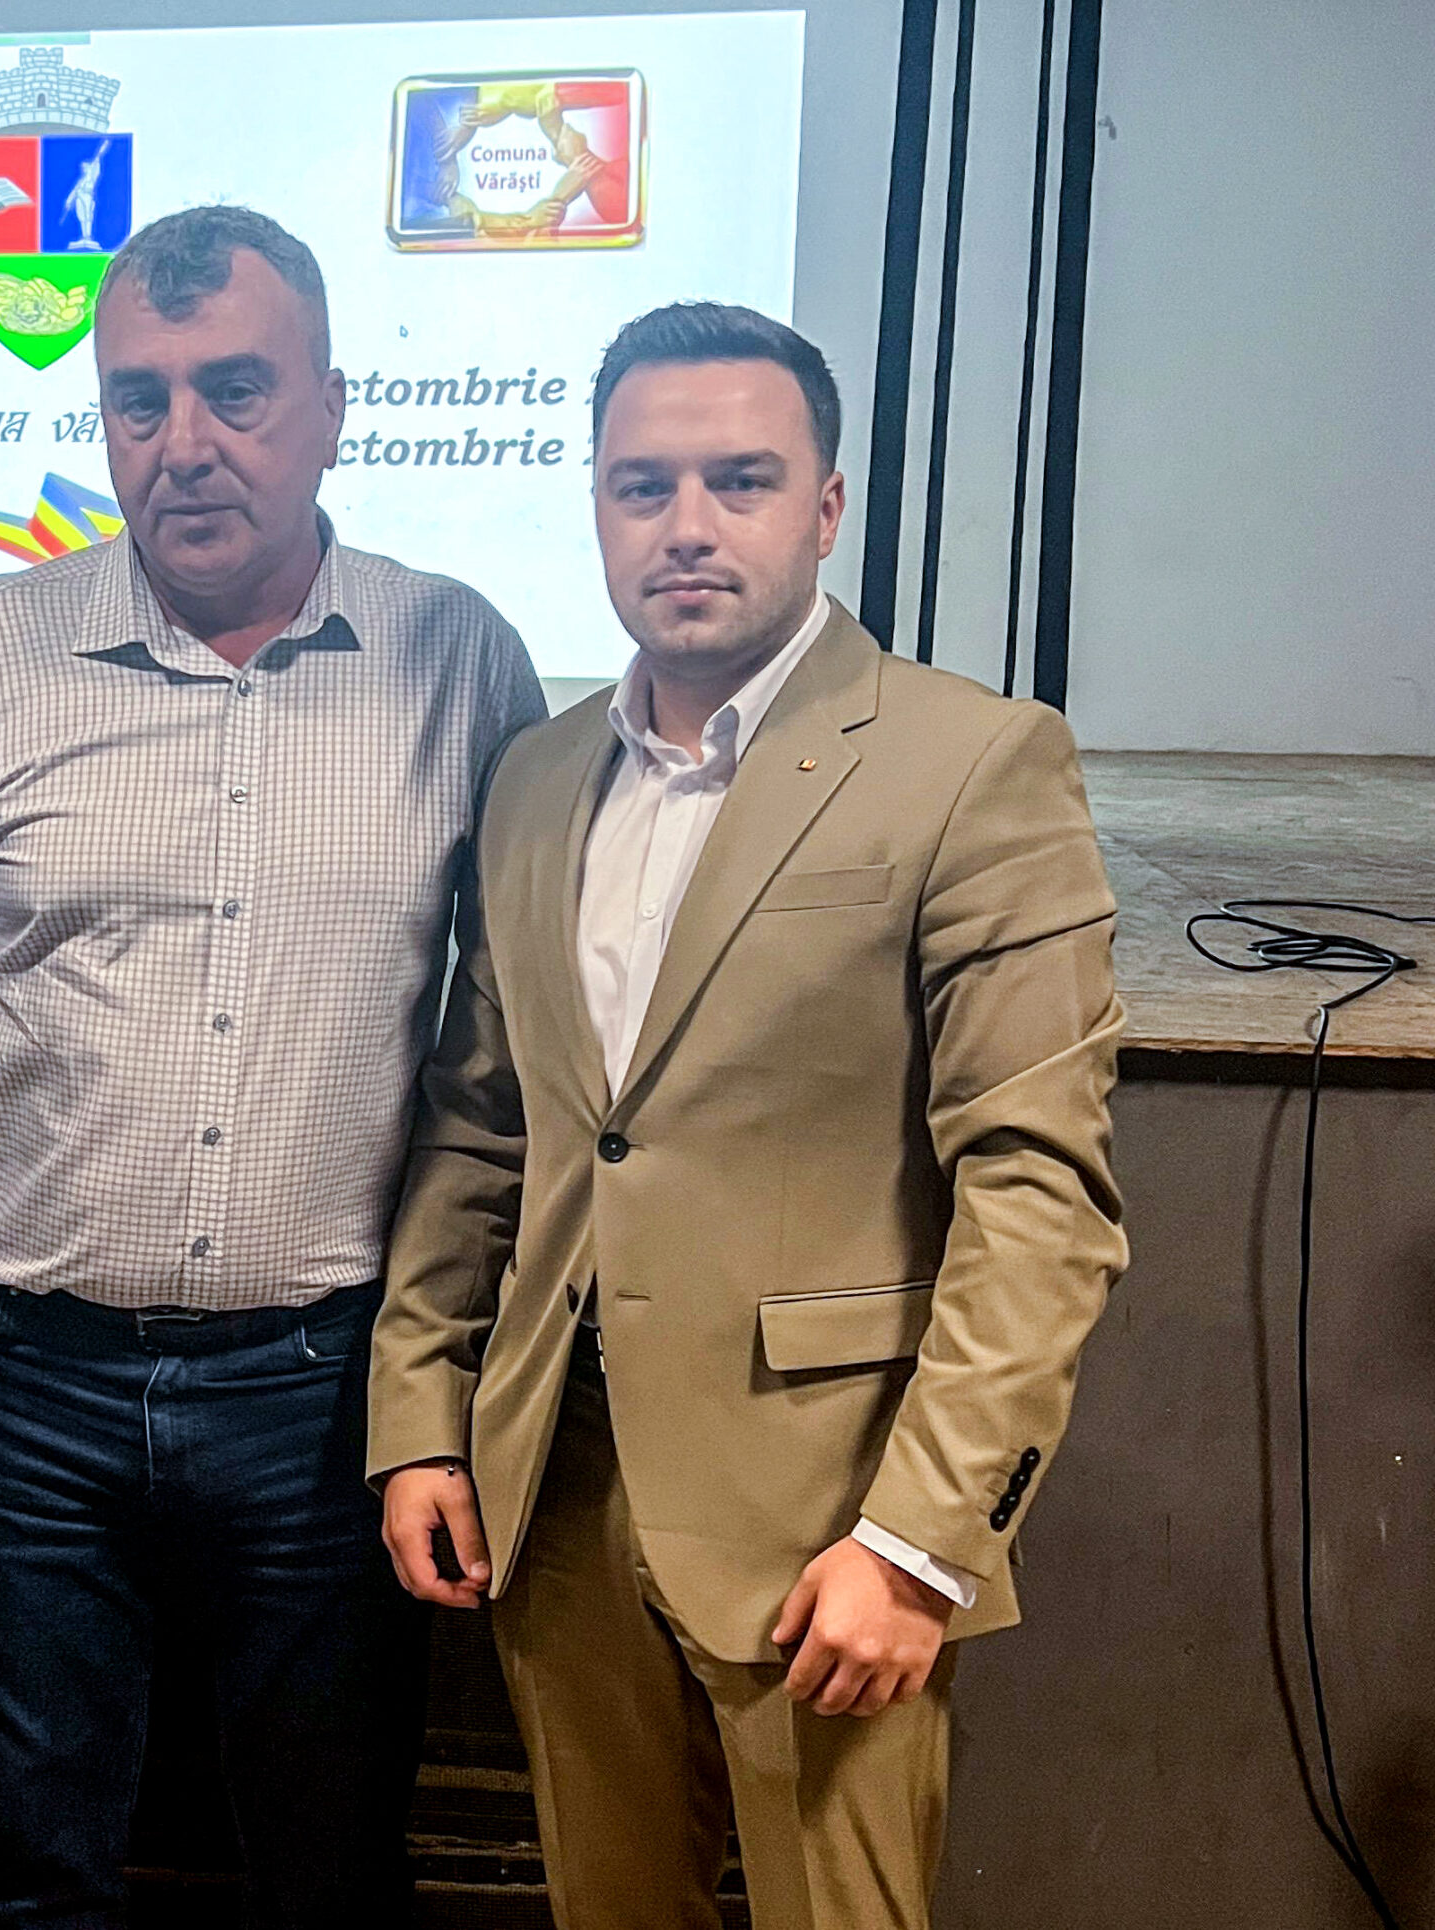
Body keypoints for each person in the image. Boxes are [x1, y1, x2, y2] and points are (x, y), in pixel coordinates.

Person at [371, 301, 1125, 1930]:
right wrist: (421, 1410)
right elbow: (485, 1125)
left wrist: (920, 1543)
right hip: (555, 1497)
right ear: (595, 504)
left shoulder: (974, 762)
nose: (687, 525)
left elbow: (1038, 1198)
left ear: (827, 505)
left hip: (829, 1523)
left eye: (742, 479)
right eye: (642, 485)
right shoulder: (535, 777)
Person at [0, 204, 544, 1926]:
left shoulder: (459, 658)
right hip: (28, 1375)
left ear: (332, 409)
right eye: (140, 398)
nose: (184, 442)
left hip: (326, 1391)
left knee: (330, 1864)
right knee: (33, 1864)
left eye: (236, 390)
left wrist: (452, 1365)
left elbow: (500, 1057)